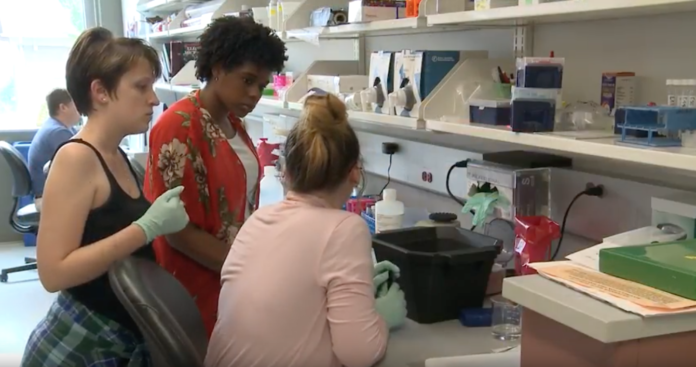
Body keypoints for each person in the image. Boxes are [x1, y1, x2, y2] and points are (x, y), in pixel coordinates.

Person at [21, 27, 189, 367]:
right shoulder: (76, 158)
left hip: (116, 342)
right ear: (100, 91)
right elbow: (53, 273)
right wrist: (146, 227)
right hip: (80, 345)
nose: (154, 99)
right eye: (141, 87)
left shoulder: (117, 155)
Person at [205, 94, 408, 367]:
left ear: (285, 172)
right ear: (355, 173)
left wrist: (358, 291)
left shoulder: (258, 220)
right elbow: (359, 353)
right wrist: (381, 317)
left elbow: (290, 307)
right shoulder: (345, 228)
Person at [144, 15, 287, 336]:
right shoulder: (179, 125)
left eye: (261, 86)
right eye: (247, 80)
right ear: (219, 68)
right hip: (195, 282)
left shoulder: (233, 123)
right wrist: (245, 268)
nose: (254, 94)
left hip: (231, 272)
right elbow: (176, 231)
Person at [28, 88, 81, 210]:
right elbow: (77, 164)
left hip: (50, 194)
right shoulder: (57, 132)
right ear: (63, 107)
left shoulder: (61, 127)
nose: (80, 109)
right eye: (76, 104)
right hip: (46, 199)